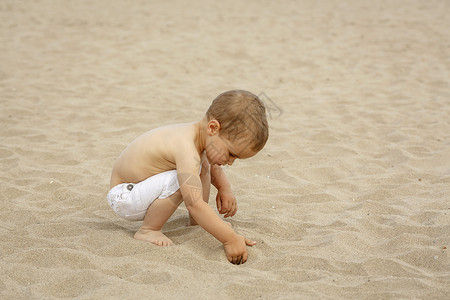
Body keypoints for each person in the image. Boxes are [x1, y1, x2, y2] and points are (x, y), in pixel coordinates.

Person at [107, 90, 269, 264]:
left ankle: (196, 223)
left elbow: (211, 168)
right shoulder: (185, 146)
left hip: (140, 190)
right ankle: (148, 230)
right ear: (213, 128)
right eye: (231, 154)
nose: (230, 162)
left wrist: (224, 188)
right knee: (182, 178)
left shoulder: (200, 138)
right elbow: (194, 204)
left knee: (203, 164)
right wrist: (230, 238)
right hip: (124, 196)